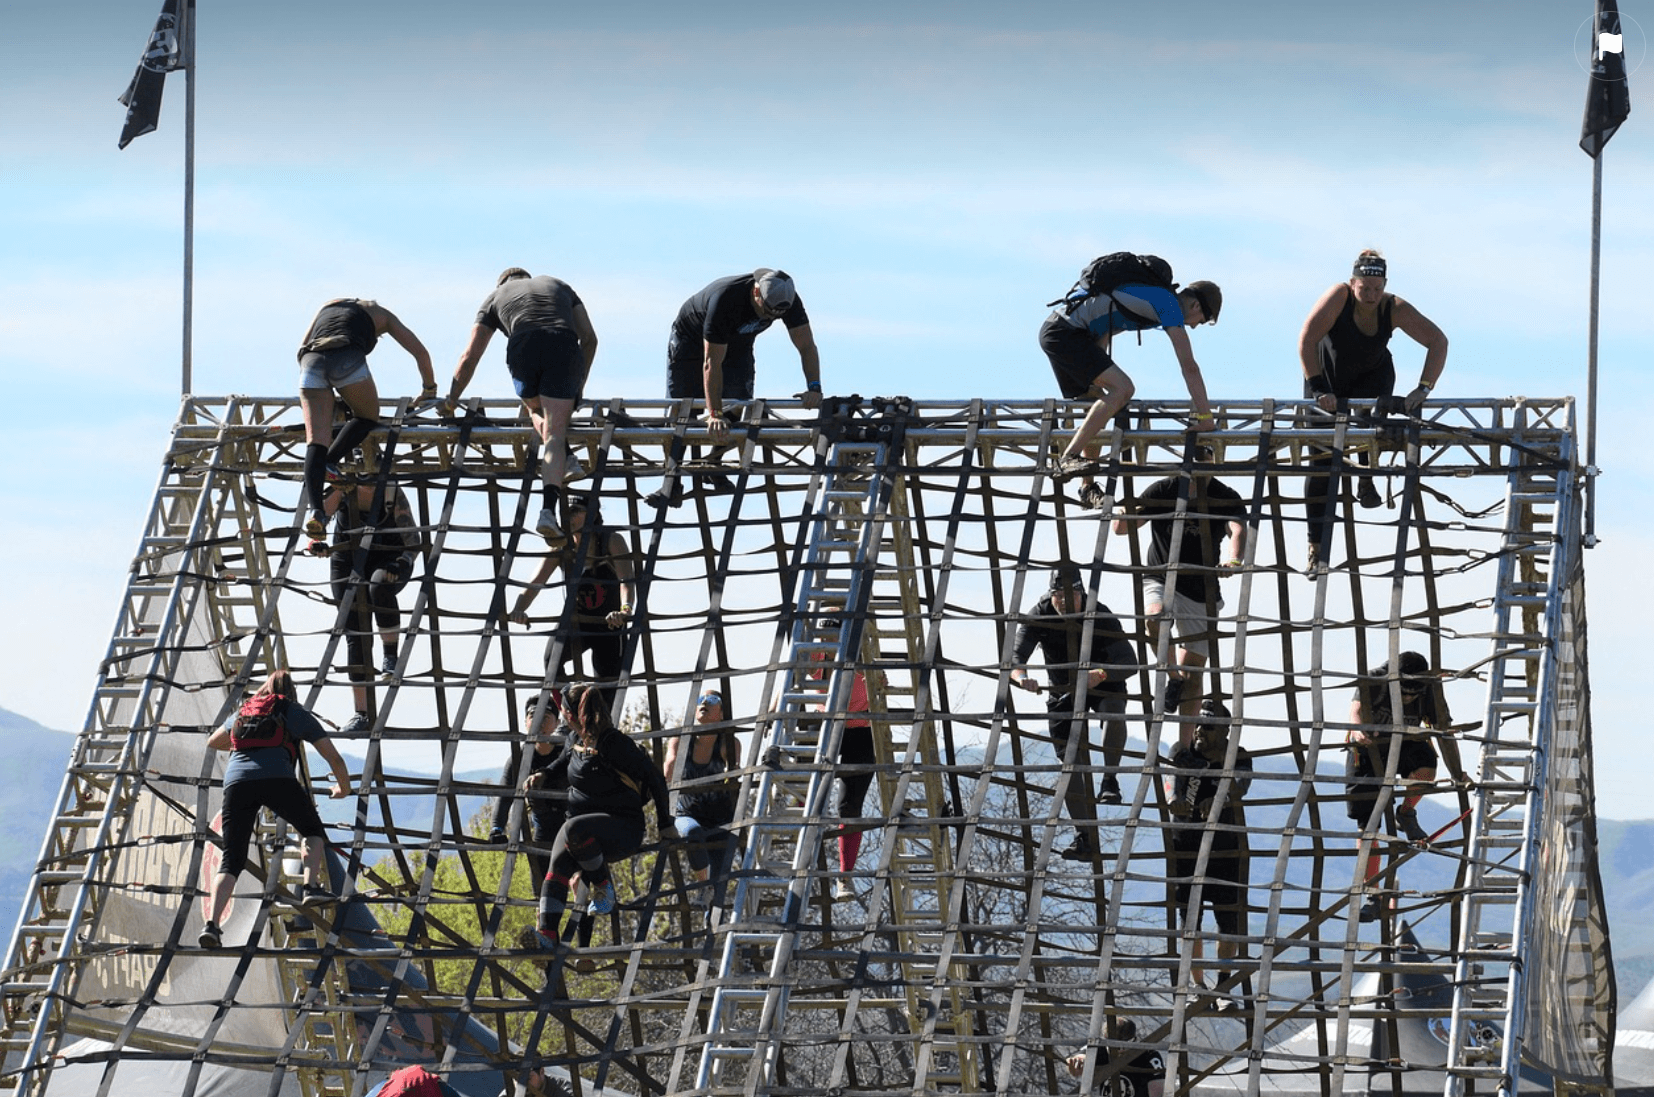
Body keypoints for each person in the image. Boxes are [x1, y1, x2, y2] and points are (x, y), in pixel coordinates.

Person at [1297, 249, 1448, 572]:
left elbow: (1438, 341)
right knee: (1321, 461)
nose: (1371, 295)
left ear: (1385, 286)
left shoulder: (1394, 307)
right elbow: (1306, 339)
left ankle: (1366, 477)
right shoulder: (1338, 296)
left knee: (1369, 426)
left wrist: (1423, 388)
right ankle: (1316, 546)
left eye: (1377, 289)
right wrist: (1319, 388)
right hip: (1327, 379)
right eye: (1365, 288)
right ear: (1353, 284)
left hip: (1372, 376)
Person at [444, 268, 600, 547]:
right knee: (555, 433)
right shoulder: (559, 284)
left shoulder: (495, 297)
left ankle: (562, 471)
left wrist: (451, 399)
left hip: (524, 345)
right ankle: (551, 500)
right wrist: (578, 386)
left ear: (503, 282)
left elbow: (469, 357)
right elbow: (589, 338)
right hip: (563, 343)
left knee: (534, 409)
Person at [199, 669, 353, 948]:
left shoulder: (245, 711)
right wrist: (343, 788)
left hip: (237, 784)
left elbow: (213, 741)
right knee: (311, 830)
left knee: (231, 859)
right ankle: (311, 887)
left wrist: (244, 742)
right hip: (277, 778)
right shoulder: (292, 711)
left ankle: (212, 925)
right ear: (291, 691)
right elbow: (334, 758)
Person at [1040, 264, 1222, 494]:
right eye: (1202, 320)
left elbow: (1105, 324)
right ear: (1195, 305)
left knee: (1097, 402)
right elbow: (1189, 367)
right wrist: (1205, 417)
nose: (1194, 326)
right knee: (1124, 389)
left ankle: (1087, 486)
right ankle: (1068, 459)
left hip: (1061, 331)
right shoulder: (1168, 305)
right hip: (1065, 334)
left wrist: (1097, 371)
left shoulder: (1150, 299)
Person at [1111, 456, 1247, 747]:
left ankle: (1184, 747)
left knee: (1194, 674)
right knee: (1155, 616)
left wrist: (1234, 560)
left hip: (1201, 588)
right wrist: (1123, 509)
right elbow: (1122, 529)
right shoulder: (1164, 489)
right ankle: (1172, 677)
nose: (1199, 467)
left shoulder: (1224, 495)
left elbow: (1237, 530)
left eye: (1205, 460)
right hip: (1161, 575)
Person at [1010, 564, 1138, 862]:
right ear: (1051, 594)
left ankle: (1110, 780)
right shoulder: (1039, 614)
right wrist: (1022, 677)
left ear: (1082, 593)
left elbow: (1129, 661)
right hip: (1063, 690)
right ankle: (1084, 837)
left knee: (1114, 711)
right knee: (1070, 765)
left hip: (1102, 681)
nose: (1065, 602)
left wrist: (1102, 673)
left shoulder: (1100, 614)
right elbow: (1015, 657)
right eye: (1059, 596)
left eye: (1072, 596)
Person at [531, 684, 672, 951]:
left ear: (571, 714)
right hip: (582, 832)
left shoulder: (614, 743)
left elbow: (655, 778)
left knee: (572, 829)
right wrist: (544, 773)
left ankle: (603, 888)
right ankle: (547, 936)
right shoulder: (574, 739)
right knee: (557, 864)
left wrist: (666, 823)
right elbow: (563, 762)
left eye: (564, 710)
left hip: (621, 829)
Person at [296, 298, 435, 540]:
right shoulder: (382, 315)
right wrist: (429, 389)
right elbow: (420, 353)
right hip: (347, 358)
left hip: (310, 363)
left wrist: (326, 390)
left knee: (315, 441)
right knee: (368, 416)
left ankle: (316, 512)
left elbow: (302, 347)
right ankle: (330, 462)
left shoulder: (326, 307)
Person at [311, 476, 421, 736]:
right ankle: (362, 713)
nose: (370, 483)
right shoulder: (341, 489)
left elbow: (413, 540)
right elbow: (317, 524)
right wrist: (317, 544)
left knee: (379, 586)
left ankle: (390, 655)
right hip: (347, 558)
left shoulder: (391, 492)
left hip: (388, 556)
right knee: (354, 630)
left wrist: (403, 561)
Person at [1345, 651, 1450, 923]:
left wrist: (1457, 771)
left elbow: (1444, 732)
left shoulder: (1429, 689)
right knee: (1368, 829)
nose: (1409, 698)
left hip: (1405, 744)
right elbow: (1356, 710)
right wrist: (1357, 729)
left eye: (1414, 694)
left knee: (1427, 766)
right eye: (1404, 692)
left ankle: (1406, 812)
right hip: (1368, 751)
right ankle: (1373, 893)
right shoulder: (1375, 680)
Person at [509, 495, 637, 713]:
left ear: (592, 515)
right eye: (566, 512)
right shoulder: (561, 546)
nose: (569, 517)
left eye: (575, 511)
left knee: (607, 689)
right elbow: (535, 582)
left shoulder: (611, 541)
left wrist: (625, 610)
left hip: (610, 625)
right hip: (578, 621)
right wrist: (519, 608)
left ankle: (596, 726)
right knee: (552, 661)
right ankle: (570, 714)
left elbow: (627, 580)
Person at [666, 269, 823, 442]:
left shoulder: (788, 300)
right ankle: (674, 455)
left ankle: (717, 455)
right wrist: (715, 414)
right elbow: (711, 363)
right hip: (690, 340)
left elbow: (806, 346)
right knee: (682, 411)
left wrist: (814, 388)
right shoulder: (726, 299)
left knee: (738, 406)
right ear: (756, 292)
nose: (770, 317)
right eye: (767, 311)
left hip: (738, 344)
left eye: (777, 315)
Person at [1166, 699, 1252, 1006]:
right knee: (1190, 922)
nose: (1200, 731)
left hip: (1226, 849)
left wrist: (1218, 798)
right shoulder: (1182, 751)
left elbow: (1240, 785)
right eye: (1199, 724)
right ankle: (1198, 986)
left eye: (1209, 727)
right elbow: (1173, 783)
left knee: (1228, 922)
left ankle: (1223, 987)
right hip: (1186, 847)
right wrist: (1176, 800)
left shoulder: (1238, 756)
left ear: (1225, 732)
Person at [807, 617, 882, 901]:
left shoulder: (862, 659)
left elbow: (880, 684)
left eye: (834, 632)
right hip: (828, 725)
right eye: (824, 633)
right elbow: (795, 672)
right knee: (807, 790)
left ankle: (845, 877)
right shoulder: (819, 657)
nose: (828, 638)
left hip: (860, 731)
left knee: (849, 808)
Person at [661, 691, 742, 904]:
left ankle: (712, 909)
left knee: (720, 884)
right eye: (700, 700)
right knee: (692, 832)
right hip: (688, 812)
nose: (704, 702)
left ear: (721, 713)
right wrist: (671, 765)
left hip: (720, 819)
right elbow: (667, 772)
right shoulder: (680, 741)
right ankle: (703, 886)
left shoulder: (727, 743)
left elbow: (734, 771)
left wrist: (732, 769)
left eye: (713, 700)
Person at [488, 692, 567, 884]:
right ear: (525, 723)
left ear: (556, 723)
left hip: (570, 821)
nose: (539, 722)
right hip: (542, 825)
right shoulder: (519, 758)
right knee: (542, 881)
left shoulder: (566, 751)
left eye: (546, 717)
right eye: (533, 716)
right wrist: (497, 829)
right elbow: (504, 796)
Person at [1065, 1017, 1166, 1097]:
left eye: (1123, 1046)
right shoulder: (1100, 1048)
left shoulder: (1149, 1055)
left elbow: (1158, 1089)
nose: (1119, 1051)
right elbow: (1080, 1056)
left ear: (1133, 1041)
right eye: (1114, 1047)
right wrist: (1077, 1063)